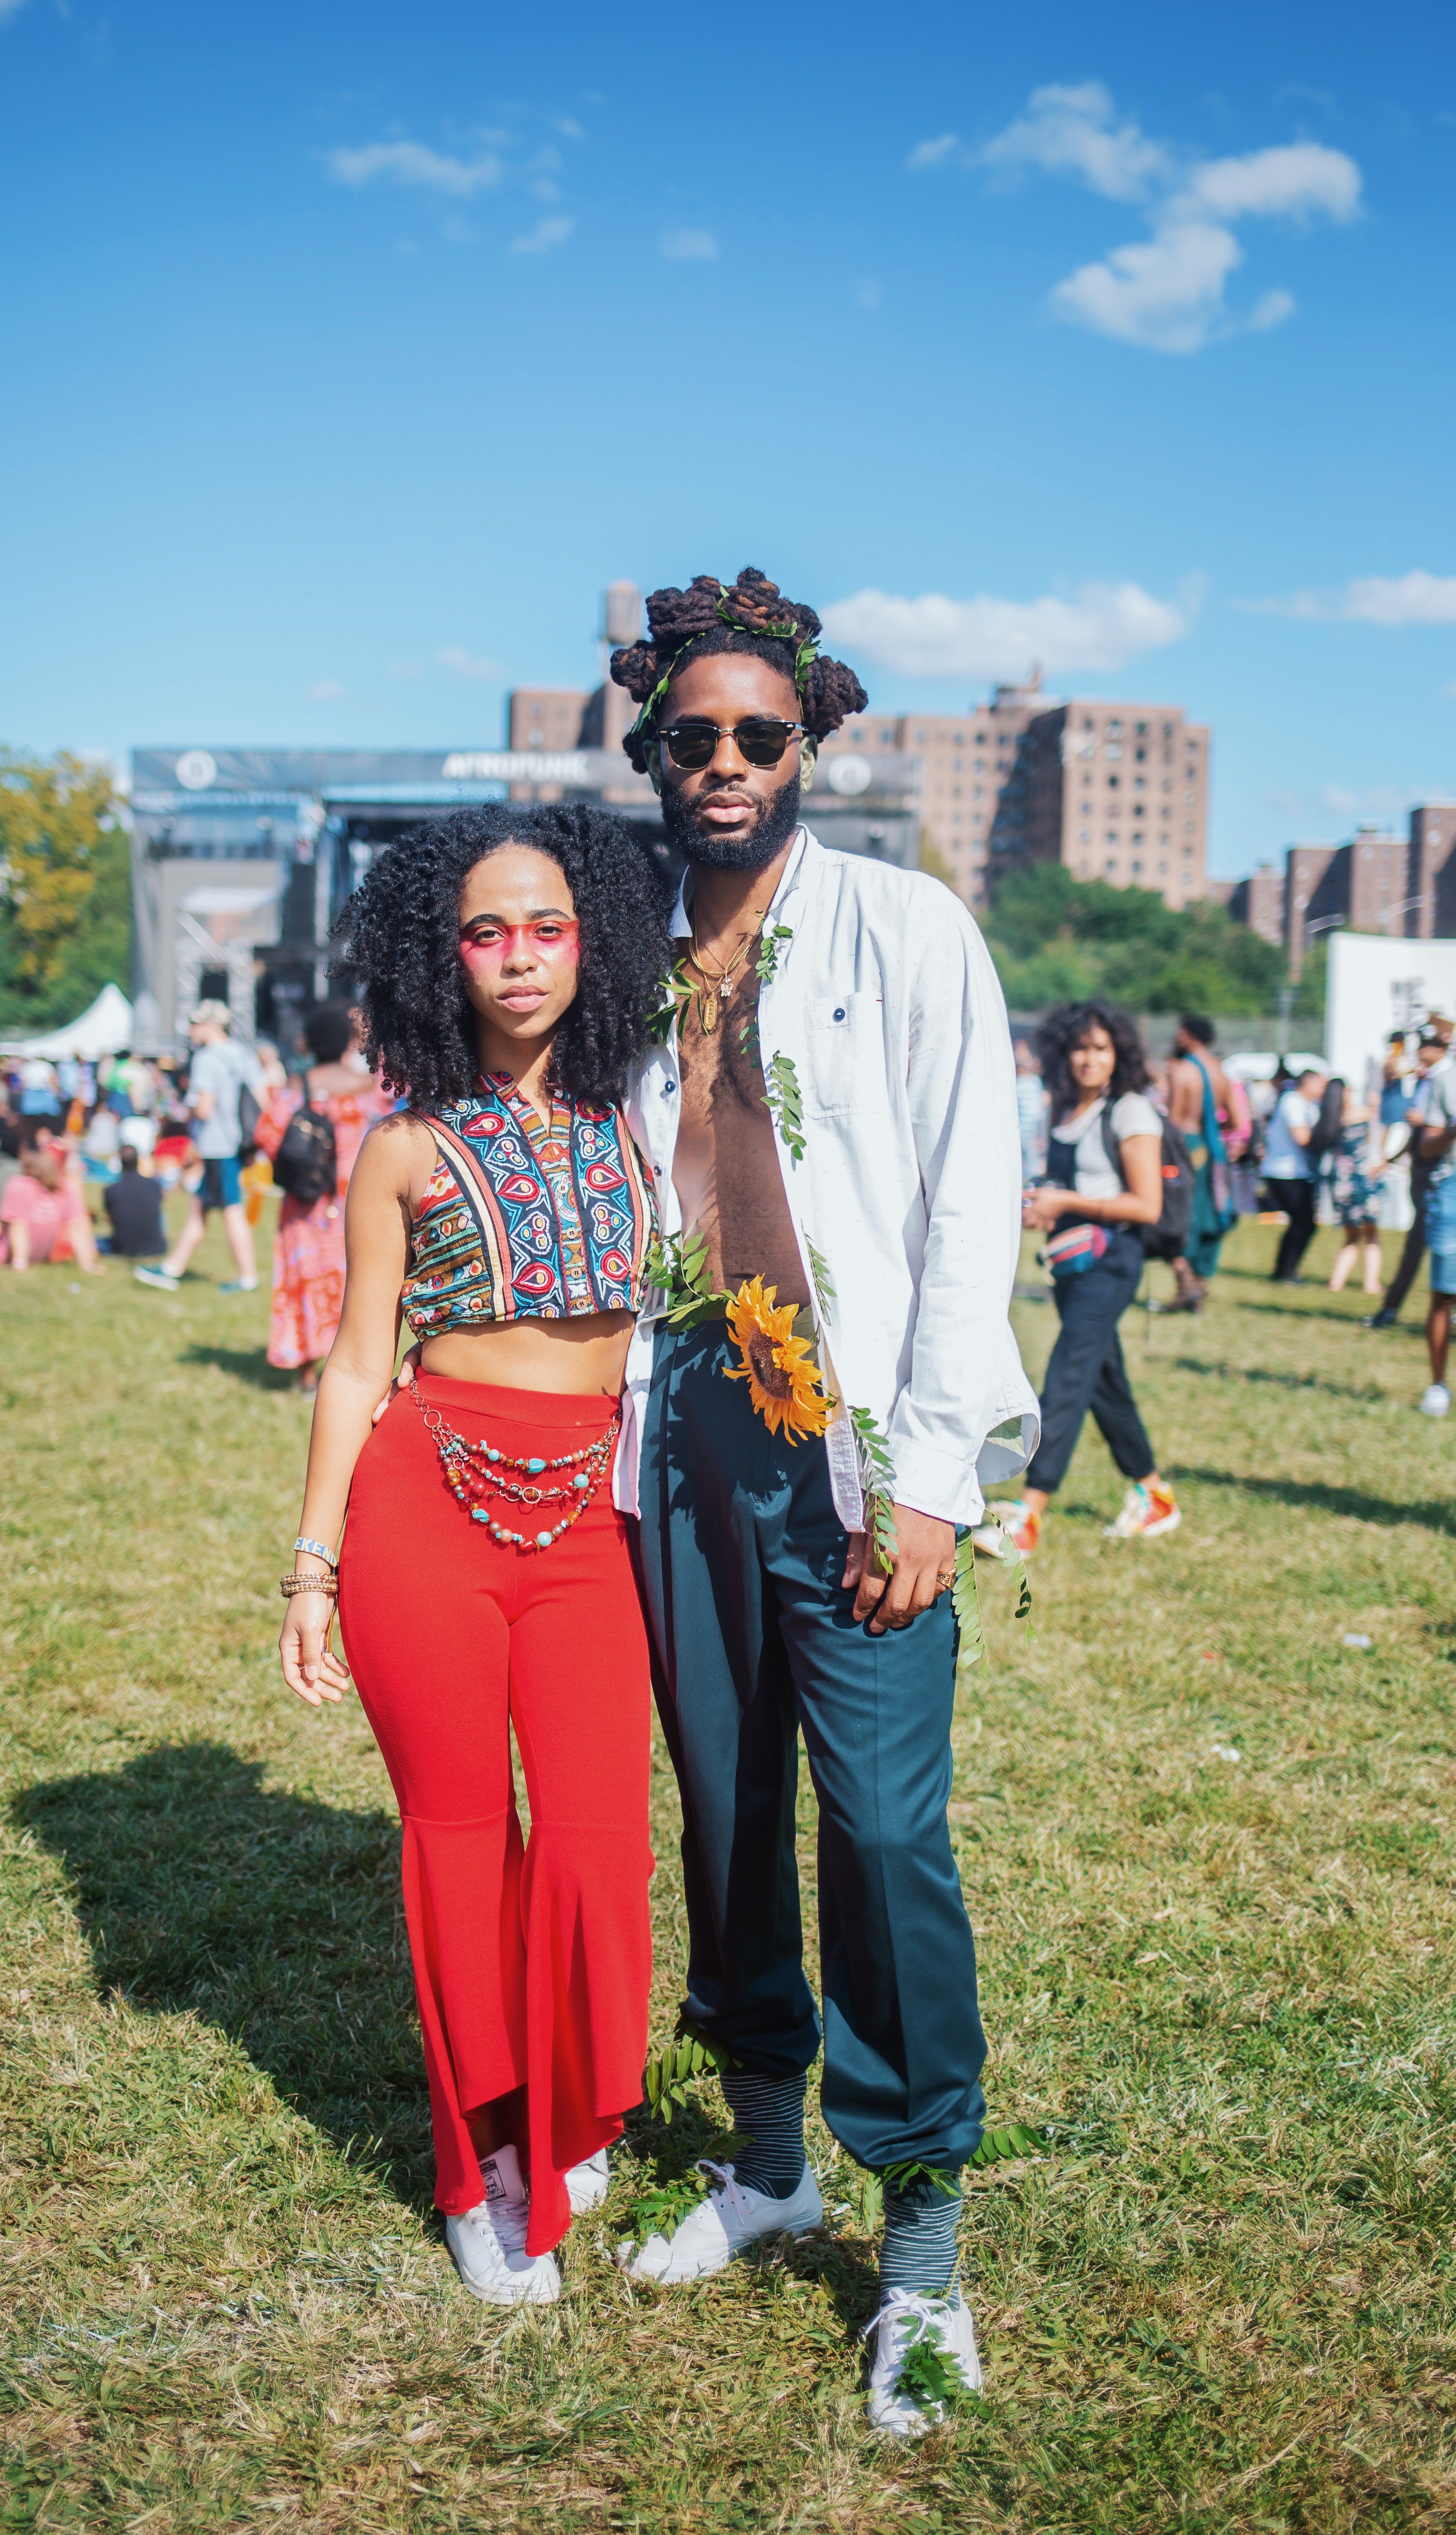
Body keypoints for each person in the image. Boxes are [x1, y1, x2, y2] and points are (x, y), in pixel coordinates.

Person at [598, 570, 1037, 2440]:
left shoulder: (903, 927)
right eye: (689, 735)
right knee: (719, 1810)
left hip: (854, 1441)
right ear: (651, 750)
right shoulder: (620, 949)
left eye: (756, 734)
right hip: (681, 1423)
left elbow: (965, 1201)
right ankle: (768, 2160)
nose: (722, 761)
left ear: (811, 745)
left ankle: (919, 2253)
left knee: (880, 1833)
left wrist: (932, 1478)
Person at [278, 801, 668, 2308]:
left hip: (589, 1529)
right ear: (443, 958)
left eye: (549, 926)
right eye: (487, 931)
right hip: (421, 1521)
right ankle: (481, 2161)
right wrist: (311, 1568)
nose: (518, 957)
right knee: (457, 1845)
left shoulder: (641, 1125)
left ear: (595, 942)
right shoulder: (403, 1148)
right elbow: (355, 1363)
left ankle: (572, 2105)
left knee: (588, 1843)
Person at [981, 1002, 1179, 1560]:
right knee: (1102, 1381)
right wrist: (1044, 1207)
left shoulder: (1130, 1110)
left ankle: (1028, 1514)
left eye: (1100, 1048)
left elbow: (1145, 1205)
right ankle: (1153, 1493)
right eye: (1079, 1048)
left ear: (1119, 1052)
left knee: (1068, 1372)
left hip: (1112, 1260)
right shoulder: (1067, 1107)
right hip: (1071, 1262)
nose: (1089, 1059)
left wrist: (1065, 1200)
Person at [257, 1000, 392, 1394]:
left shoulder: (296, 1089)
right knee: (356, 1284)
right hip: (357, 1200)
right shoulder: (365, 1088)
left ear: (310, 1042)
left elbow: (267, 1136)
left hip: (306, 1202)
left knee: (305, 1282)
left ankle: (307, 1373)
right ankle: (356, 1368)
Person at [134, 1002, 265, 1294]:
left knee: (231, 1208)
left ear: (212, 1025)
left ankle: (248, 1277)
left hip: (218, 1144)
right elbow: (262, 1097)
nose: (192, 1029)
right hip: (240, 1141)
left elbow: (204, 1108)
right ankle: (172, 1269)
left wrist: (185, 1114)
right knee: (200, 1208)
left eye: (196, 1023)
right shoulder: (244, 1054)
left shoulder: (207, 1058)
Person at [1366, 1018, 1455, 1329]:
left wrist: (1426, 1125)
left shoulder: (1446, 1079)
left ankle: (1395, 1309)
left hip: (1440, 1173)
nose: (1421, 1051)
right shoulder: (1426, 1079)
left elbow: (1440, 1131)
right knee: (1418, 1244)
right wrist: (1393, 1157)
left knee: (1429, 1245)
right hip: (1424, 1167)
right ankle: (1393, 1307)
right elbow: (1421, 1135)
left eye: (1427, 1045)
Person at [1159, 1014, 1243, 1312]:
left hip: (1185, 1146)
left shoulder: (1181, 1070)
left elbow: (1172, 1120)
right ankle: (1199, 1286)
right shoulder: (1221, 1073)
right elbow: (1236, 1120)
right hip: (1211, 1148)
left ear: (1190, 1035)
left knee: (1178, 1212)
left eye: (1180, 1031)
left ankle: (1186, 1282)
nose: (1176, 1036)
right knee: (1209, 1214)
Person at [1410, 1034, 1456, 1415]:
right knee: (1444, 1293)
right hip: (1453, 1188)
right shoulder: (1445, 1079)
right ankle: (1439, 1384)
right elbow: (1426, 1147)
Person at [1260, 1063, 1327, 1282]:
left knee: (1303, 1223)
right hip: (1284, 1171)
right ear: (1307, 1083)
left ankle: (1286, 1271)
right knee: (1303, 1222)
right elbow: (1302, 1137)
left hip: (1297, 1171)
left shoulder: (1308, 1104)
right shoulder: (1293, 1101)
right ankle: (1285, 1272)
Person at [1323, 1081, 1383, 1296]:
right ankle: (1371, 1283)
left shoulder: (1327, 1120)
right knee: (1371, 1234)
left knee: (1351, 1236)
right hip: (1362, 1178)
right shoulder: (1362, 1115)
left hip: (1341, 1181)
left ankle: (1336, 1283)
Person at [102, 1145, 166, 1258]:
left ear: (120, 1162)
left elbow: (110, 1219)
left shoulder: (111, 1191)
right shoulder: (155, 1186)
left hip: (124, 1249)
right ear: (138, 1161)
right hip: (158, 1248)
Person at [1014, 1036, 1049, 1184]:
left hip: (1033, 1131)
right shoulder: (1015, 1082)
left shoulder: (1035, 1081)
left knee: (1032, 1166)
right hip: (1019, 1131)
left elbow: (1042, 1109)